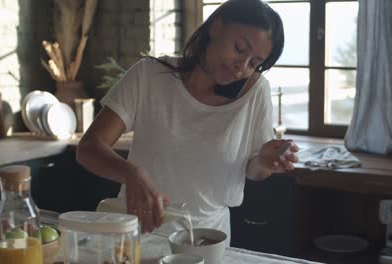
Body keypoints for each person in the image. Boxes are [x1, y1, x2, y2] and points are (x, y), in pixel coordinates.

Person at [76, 0, 298, 243]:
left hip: (206, 238)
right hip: (137, 231)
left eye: (254, 63)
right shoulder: (149, 75)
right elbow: (89, 148)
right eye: (239, 48)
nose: (241, 66)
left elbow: (254, 171)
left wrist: (265, 162)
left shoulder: (255, 92)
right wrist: (131, 173)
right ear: (216, 27)